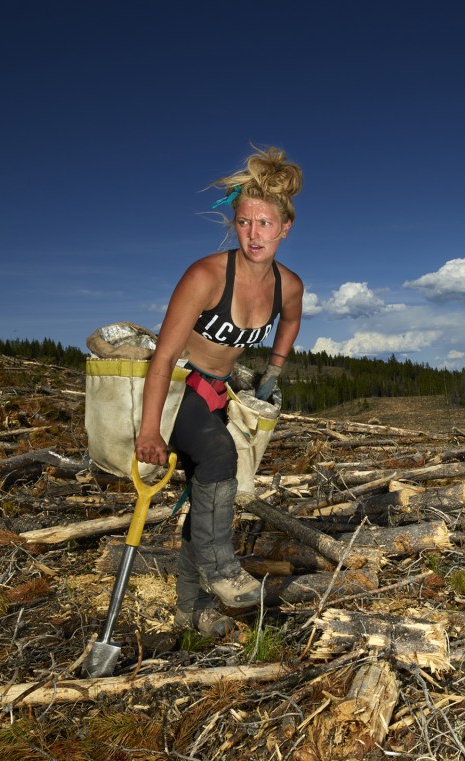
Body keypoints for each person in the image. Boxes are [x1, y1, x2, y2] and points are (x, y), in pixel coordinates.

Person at [135, 146, 304, 636]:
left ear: (284, 228)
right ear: (235, 223)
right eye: (246, 222)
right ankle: (222, 570)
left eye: (265, 224)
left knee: (207, 497)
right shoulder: (206, 275)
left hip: (218, 392)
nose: (254, 234)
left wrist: (273, 372)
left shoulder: (288, 285)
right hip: (175, 388)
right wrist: (150, 430)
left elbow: (290, 320)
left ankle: (189, 611)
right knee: (218, 453)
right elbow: (163, 357)